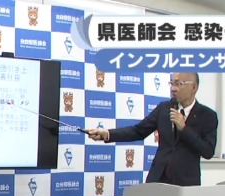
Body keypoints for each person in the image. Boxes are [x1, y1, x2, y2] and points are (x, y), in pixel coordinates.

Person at [85, 72, 218, 187]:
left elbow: (208, 151)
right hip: (158, 178)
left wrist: (184, 129)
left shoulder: (208, 116)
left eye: (178, 84)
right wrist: (107, 134)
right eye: (171, 83)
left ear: (194, 87)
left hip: (186, 183)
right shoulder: (164, 108)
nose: (173, 88)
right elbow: (138, 131)